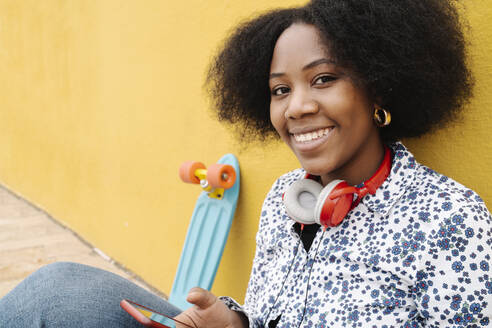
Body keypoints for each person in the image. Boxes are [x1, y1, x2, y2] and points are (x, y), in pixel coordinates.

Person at [0, 0, 490, 327]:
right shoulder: (287, 198)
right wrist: (234, 321)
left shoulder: (450, 219)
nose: (296, 107)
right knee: (55, 291)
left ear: (379, 86)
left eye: (322, 80)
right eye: (280, 90)